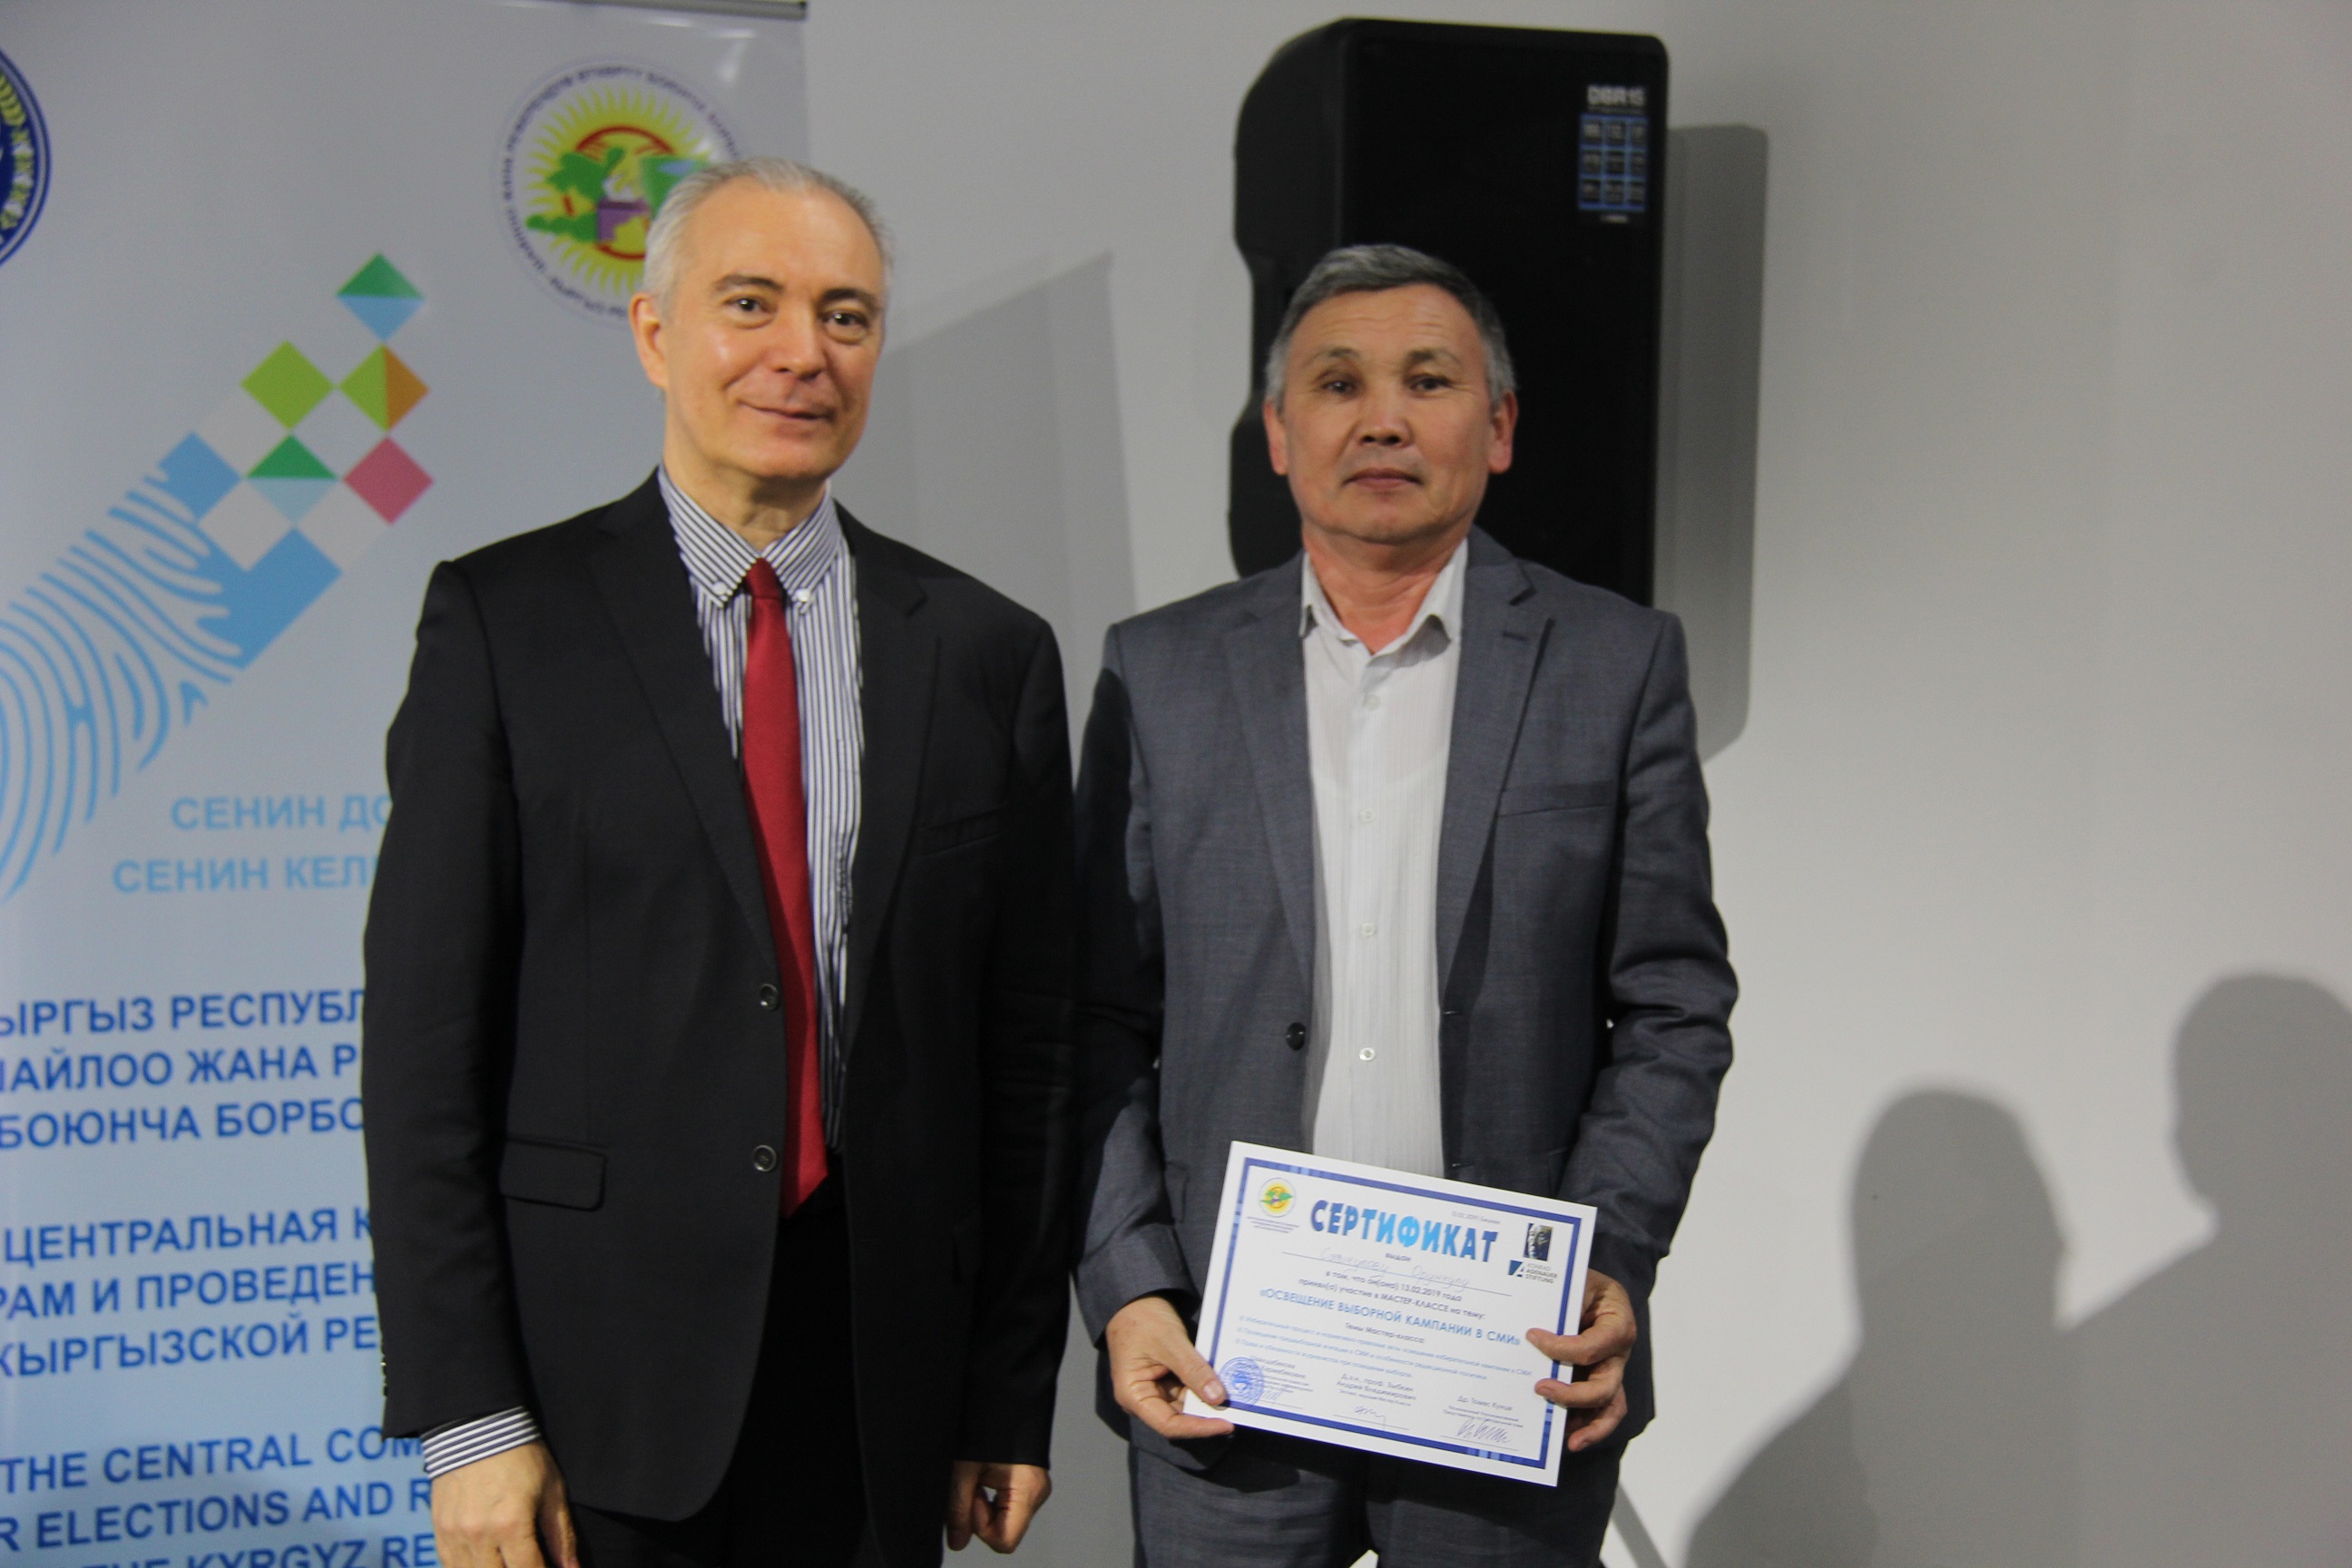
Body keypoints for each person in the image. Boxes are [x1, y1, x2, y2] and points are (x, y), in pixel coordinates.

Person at [362, 158, 1073, 1568]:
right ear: (654, 332)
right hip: (594, 1400)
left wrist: (1005, 1389)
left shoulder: (986, 651)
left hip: (879, 1396)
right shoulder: (506, 624)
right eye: (751, 303)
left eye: (846, 315)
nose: (803, 352)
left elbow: (1029, 1060)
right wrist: (472, 1419)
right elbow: (426, 1049)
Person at [1073, 244, 1735, 1566]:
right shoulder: (1162, 673)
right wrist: (1130, 1284)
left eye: (1428, 381)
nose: (1382, 419)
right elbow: (1090, 1020)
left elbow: (1673, 1006)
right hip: (1226, 1360)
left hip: (1509, 1363)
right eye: (1338, 384)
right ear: (1279, 434)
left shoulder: (1616, 665)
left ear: (1499, 428)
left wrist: (1609, 1257)